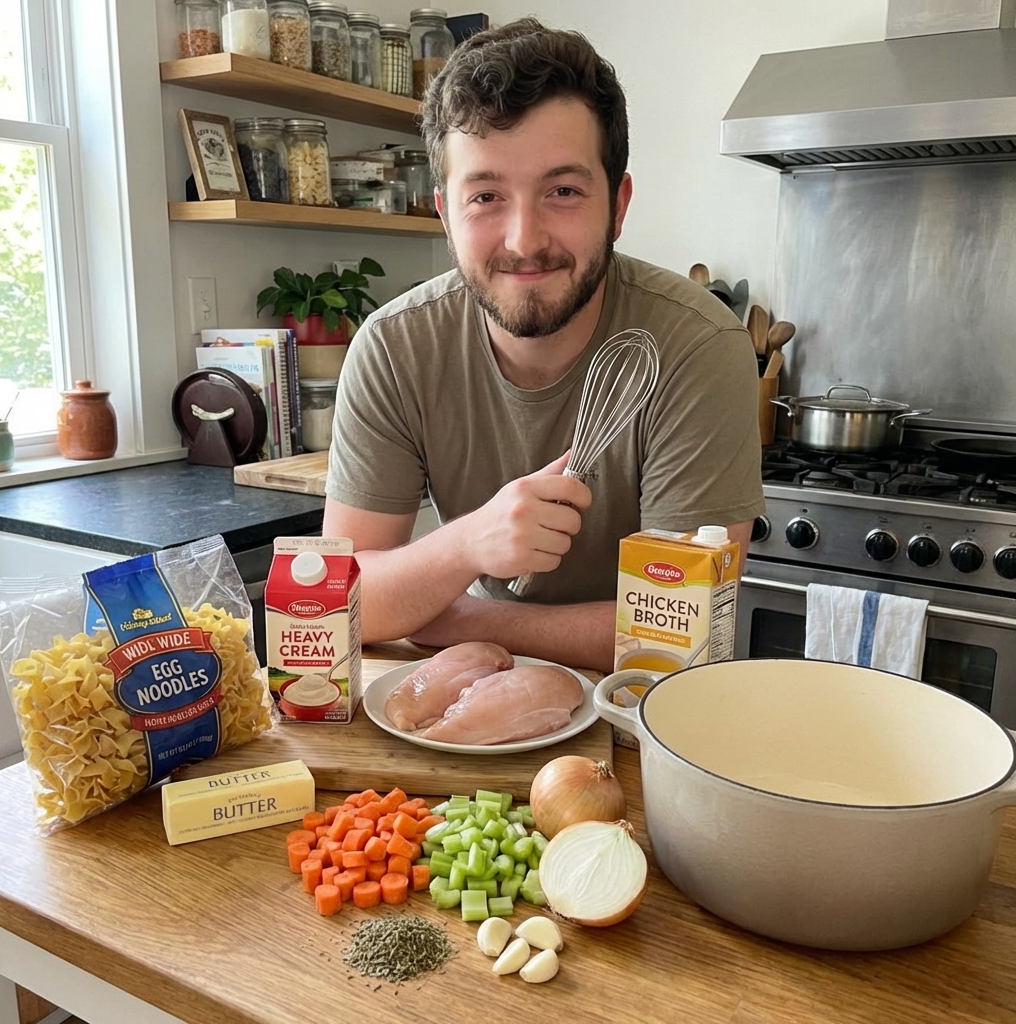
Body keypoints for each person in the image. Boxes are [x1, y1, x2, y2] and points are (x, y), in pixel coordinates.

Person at [323, 18, 764, 672]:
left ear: (618, 205)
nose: (524, 240)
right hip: (476, 683)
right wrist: (466, 545)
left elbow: (684, 631)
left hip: (640, 708)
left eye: (562, 192)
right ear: (445, 213)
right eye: (487, 196)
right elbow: (335, 601)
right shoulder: (394, 349)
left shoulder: (698, 346)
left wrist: (467, 616)